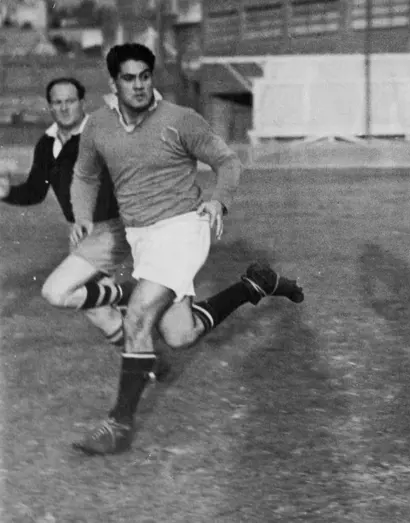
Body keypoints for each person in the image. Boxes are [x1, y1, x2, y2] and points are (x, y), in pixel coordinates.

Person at [69, 43, 304, 456]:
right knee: (180, 334)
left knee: (139, 318)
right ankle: (253, 286)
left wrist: (218, 199)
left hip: (183, 229)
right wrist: (83, 215)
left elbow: (228, 162)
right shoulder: (98, 126)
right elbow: (85, 175)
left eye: (145, 76)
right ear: (113, 83)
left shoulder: (180, 120)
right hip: (143, 238)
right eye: (129, 78)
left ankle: (118, 425)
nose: (139, 85)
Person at [0, 77, 134, 347]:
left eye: (70, 101)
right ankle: (147, 362)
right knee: (95, 307)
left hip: (112, 229)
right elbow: (36, 192)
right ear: (49, 106)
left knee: (57, 292)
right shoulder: (47, 144)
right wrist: (7, 193)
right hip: (83, 235)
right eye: (57, 102)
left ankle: (128, 293)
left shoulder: (101, 134)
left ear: (82, 103)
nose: (64, 108)